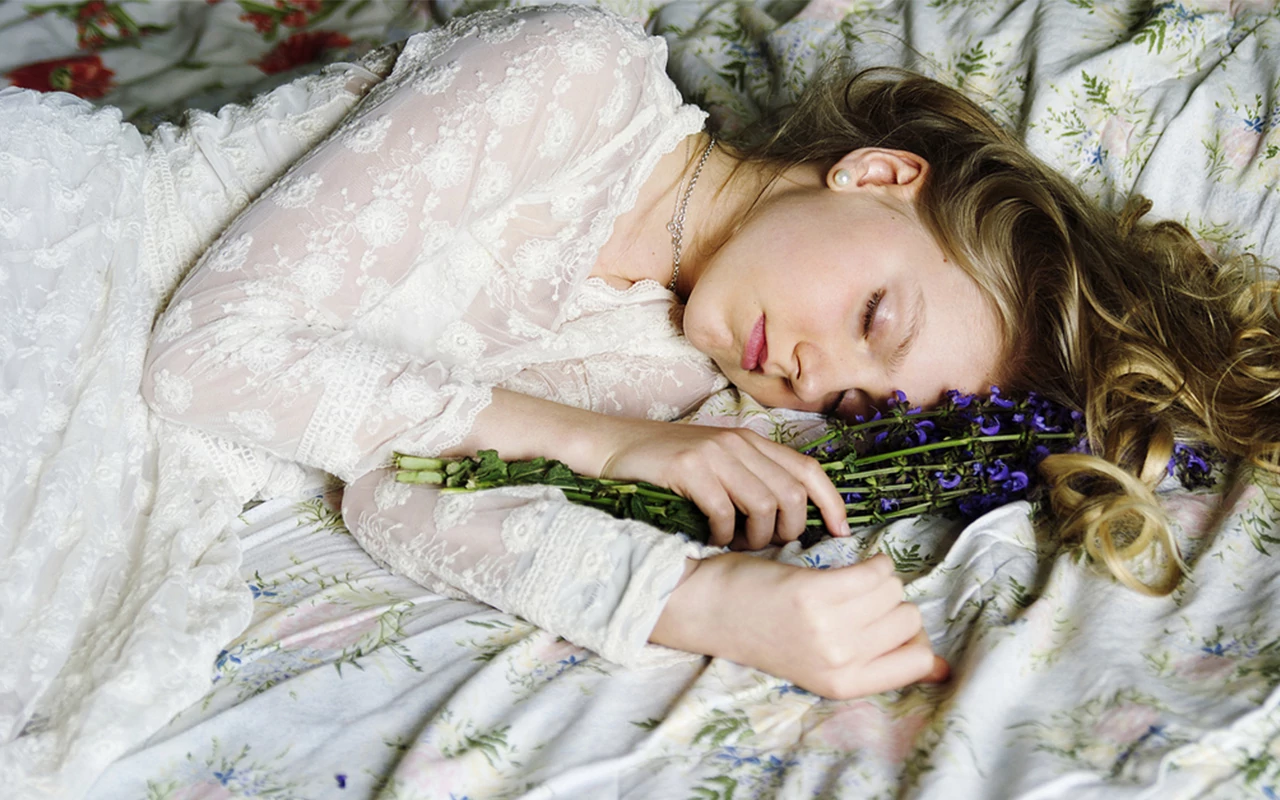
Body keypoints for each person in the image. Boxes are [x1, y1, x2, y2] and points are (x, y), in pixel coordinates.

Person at [129, 1, 1280, 700]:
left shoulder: (687, 380)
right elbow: (204, 354)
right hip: (86, 276)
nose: (814, 376)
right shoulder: (576, 77)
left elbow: (399, 488)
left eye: (854, 401)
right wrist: (605, 443)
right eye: (875, 316)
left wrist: (702, 597)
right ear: (878, 174)